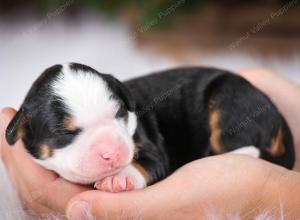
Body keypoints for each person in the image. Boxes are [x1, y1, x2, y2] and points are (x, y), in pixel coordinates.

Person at [0, 69, 300, 219]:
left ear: (123, 100)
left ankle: (251, 152)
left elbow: (155, 160)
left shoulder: (138, 128)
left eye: (118, 115)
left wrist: (133, 174)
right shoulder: (26, 125)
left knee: (225, 100)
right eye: (69, 134)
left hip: (221, 91)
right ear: (23, 131)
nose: (111, 149)